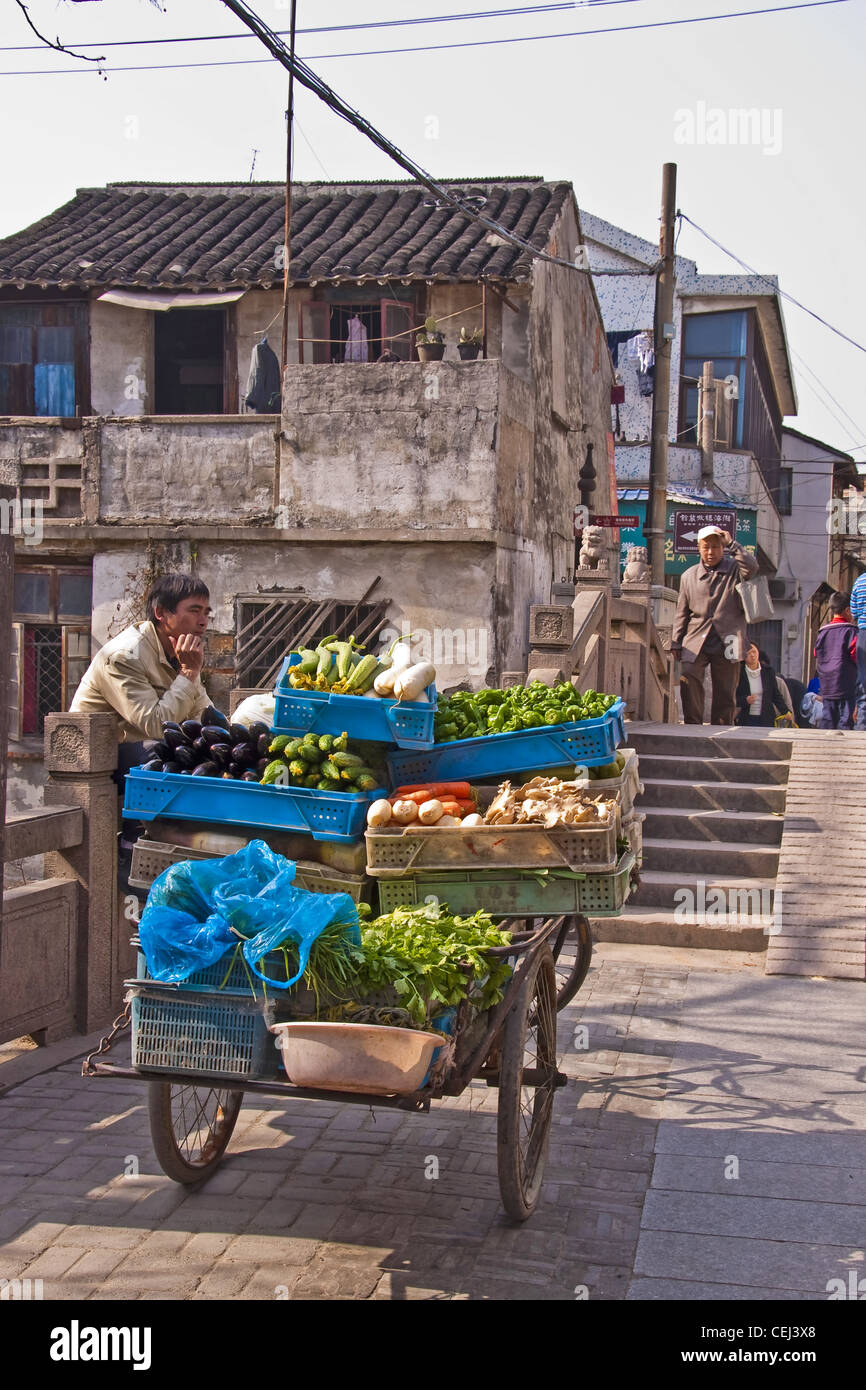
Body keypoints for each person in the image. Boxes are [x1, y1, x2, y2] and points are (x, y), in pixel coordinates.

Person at [70, 573, 212, 753]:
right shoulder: (124, 656)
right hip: (101, 753)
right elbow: (157, 726)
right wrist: (189, 672)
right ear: (160, 612)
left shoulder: (182, 653)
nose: (203, 622)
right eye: (194, 611)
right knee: (165, 753)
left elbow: (202, 710)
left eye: (206, 613)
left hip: (144, 747)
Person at [671, 524, 759, 725]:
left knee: (726, 690)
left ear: (722, 548)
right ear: (699, 548)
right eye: (706, 547)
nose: (711, 552)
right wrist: (676, 642)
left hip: (729, 639)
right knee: (688, 677)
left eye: (716, 547)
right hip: (696, 639)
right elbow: (681, 612)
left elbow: (752, 567)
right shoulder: (688, 576)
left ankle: (721, 727)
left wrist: (732, 544)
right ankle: (693, 726)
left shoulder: (734, 570)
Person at [813, 591, 859, 729]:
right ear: (847, 610)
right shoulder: (851, 631)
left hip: (827, 685)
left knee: (827, 720)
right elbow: (855, 656)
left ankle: (824, 749)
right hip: (847, 685)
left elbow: (817, 654)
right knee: (846, 722)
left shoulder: (822, 632)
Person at [735, 645, 792, 727]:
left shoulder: (768, 671)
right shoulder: (739, 672)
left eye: (754, 652)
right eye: (748, 653)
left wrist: (785, 711)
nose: (752, 655)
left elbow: (775, 695)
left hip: (766, 718)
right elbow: (734, 697)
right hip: (747, 718)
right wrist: (745, 700)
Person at [849, 569, 866, 730]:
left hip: (864, 636)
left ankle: (862, 730)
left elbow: (853, 612)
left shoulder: (860, 581)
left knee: (864, 685)